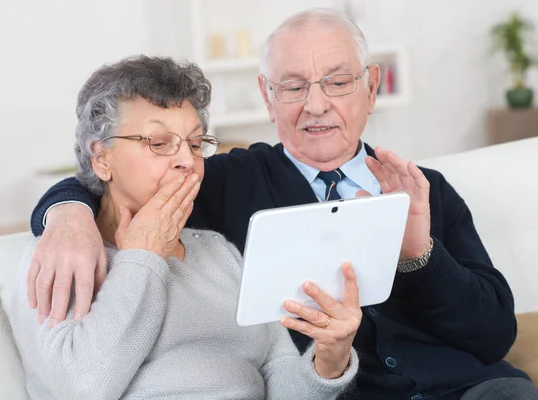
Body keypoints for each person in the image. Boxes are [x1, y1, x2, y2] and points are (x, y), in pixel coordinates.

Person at [26, 8, 538, 400]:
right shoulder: (218, 180)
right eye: (292, 87)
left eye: (337, 82)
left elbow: (493, 337)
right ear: (267, 98)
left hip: (470, 388)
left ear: (371, 87)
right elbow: (122, 177)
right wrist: (66, 213)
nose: (316, 105)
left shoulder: (423, 188)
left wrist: (421, 257)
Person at [9, 55, 361, 400]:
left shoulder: (219, 252)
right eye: (159, 143)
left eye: (195, 144)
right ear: (101, 158)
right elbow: (81, 388)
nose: (185, 160)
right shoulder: (60, 258)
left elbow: (279, 382)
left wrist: (328, 361)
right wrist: (143, 255)